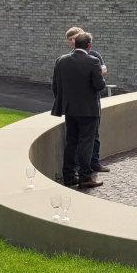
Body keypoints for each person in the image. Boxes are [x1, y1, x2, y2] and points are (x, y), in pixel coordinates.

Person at [50, 31, 106, 189]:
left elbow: (55, 86)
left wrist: (64, 102)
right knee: (86, 143)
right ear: (89, 46)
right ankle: (85, 178)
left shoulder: (61, 60)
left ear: (75, 44)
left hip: (69, 109)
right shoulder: (93, 61)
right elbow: (99, 86)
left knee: (71, 142)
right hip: (88, 110)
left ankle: (68, 176)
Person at [66, 26, 111, 173]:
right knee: (81, 139)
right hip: (85, 105)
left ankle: (92, 163)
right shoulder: (69, 58)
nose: (73, 41)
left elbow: (104, 70)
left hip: (81, 104)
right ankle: (83, 172)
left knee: (91, 136)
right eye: (71, 39)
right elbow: (99, 82)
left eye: (75, 38)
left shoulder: (93, 56)